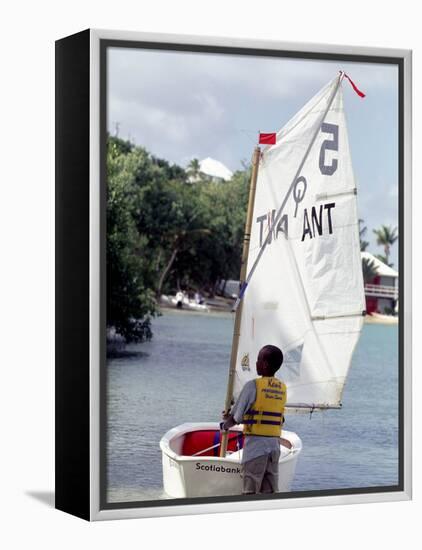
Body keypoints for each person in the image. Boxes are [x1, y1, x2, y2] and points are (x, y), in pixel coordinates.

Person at [221, 345, 287, 494]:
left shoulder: (253, 386)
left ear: (264, 364)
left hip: (256, 448)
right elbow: (279, 419)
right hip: (274, 449)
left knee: (249, 492)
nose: (256, 363)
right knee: (269, 492)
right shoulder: (282, 388)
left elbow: (236, 418)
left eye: (258, 360)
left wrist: (224, 425)